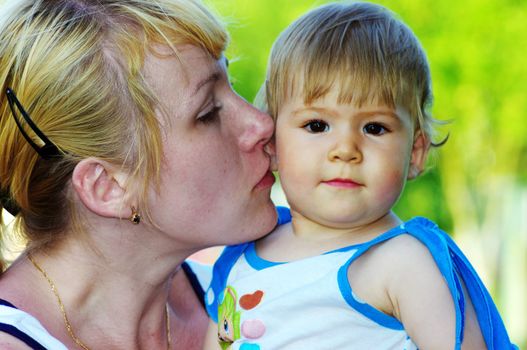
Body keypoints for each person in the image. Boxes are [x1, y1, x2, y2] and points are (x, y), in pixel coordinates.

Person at [204, 2, 516, 349]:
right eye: (317, 125)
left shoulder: (402, 262)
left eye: (374, 127)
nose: (346, 149)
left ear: (415, 152)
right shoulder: (240, 257)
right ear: (274, 143)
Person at [0, 0, 280, 348]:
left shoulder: (253, 293)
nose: (262, 124)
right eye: (208, 113)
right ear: (108, 187)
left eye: (231, 80)